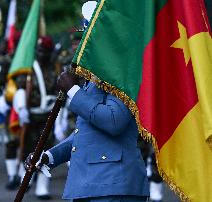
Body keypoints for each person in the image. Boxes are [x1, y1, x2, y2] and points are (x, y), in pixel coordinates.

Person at [25, 1, 150, 202]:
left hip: (112, 185)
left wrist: (73, 91)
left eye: (86, 34)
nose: (82, 43)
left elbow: (114, 121)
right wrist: (50, 155)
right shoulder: (96, 75)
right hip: (91, 185)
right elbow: (88, 135)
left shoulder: (122, 71)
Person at [0, 36, 57, 199]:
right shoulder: (30, 69)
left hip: (49, 115)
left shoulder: (55, 68)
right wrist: (21, 108)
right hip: (31, 116)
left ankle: (43, 187)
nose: (41, 54)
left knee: (48, 151)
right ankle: (26, 181)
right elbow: (19, 89)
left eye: (44, 51)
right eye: (39, 51)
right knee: (29, 150)